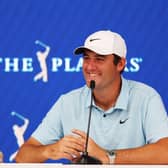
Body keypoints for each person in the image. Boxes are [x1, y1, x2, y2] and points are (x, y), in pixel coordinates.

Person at [15, 30, 168, 164]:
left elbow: (165, 151)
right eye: (86, 58)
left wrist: (107, 156)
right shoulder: (68, 102)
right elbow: (22, 156)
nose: (89, 66)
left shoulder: (146, 97)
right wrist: (50, 151)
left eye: (99, 59)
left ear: (120, 64)